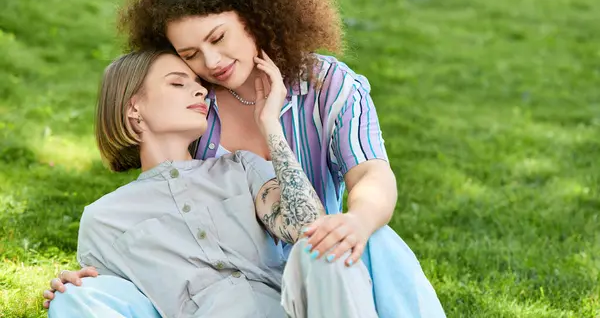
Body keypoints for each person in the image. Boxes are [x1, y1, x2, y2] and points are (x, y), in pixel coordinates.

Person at [44, 0, 446, 317]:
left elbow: (371, 173)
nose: (211, 63)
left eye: (218, 38)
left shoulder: (329, 85)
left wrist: (356, 220)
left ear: (253, 17)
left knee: (368, 236)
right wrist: (87, 284)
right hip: (211, 295)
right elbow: (169, 218)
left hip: (323, 263)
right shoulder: (200, 112)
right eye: (191, 55)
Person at [48, 49, 378, 317]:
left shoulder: (242, 169)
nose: (200, 90)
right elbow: (114, 300)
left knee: (335, 243)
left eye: (198, 84)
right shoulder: (105, 217)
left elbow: (309, 227)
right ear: (135, 109)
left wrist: (270, 127)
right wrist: (73, 287)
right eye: (178, 84)